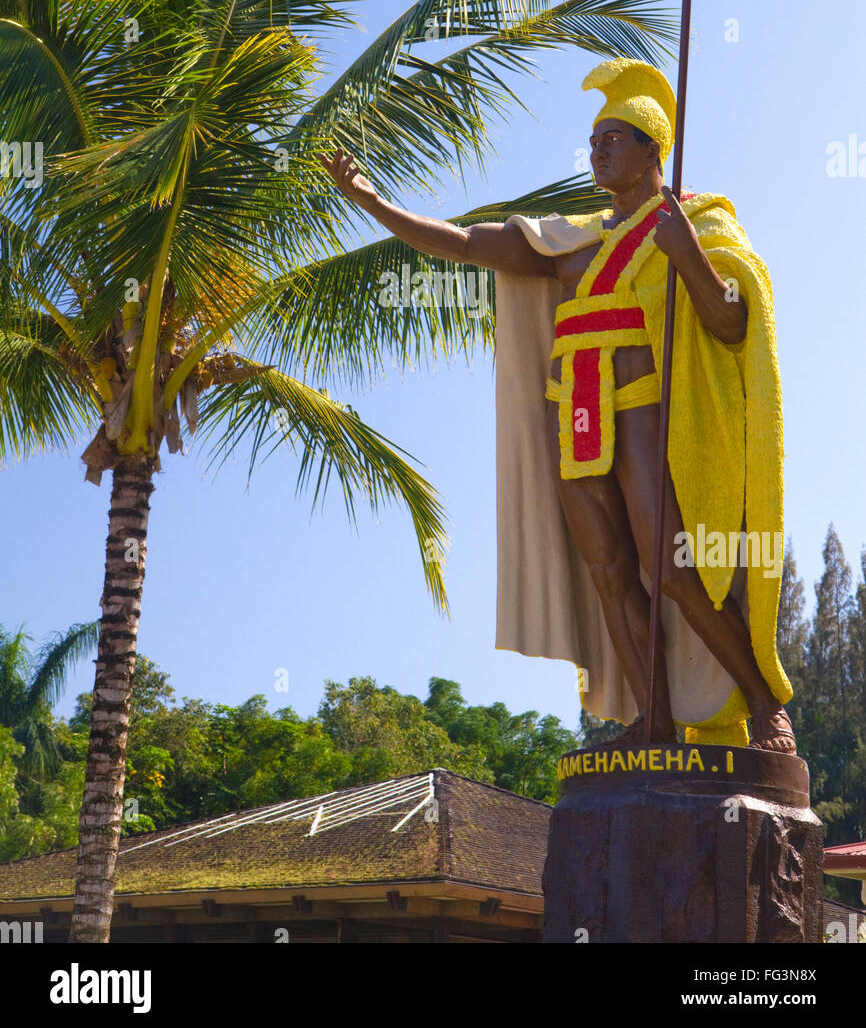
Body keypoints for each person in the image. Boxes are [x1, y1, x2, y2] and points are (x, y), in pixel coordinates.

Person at [320, 57, 796, 752]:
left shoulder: (696, 224)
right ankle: (653, 719)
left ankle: (763, 703)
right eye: (594, 138)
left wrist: (687, 254)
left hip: (641, 403)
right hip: (571, 407)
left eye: (614, 136)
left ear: (651, 148)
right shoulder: (570, 242)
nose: (598, 148)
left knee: (669, 567)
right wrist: (371, 201)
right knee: (607, 571)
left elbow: (731, 325)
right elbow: (464, 243)